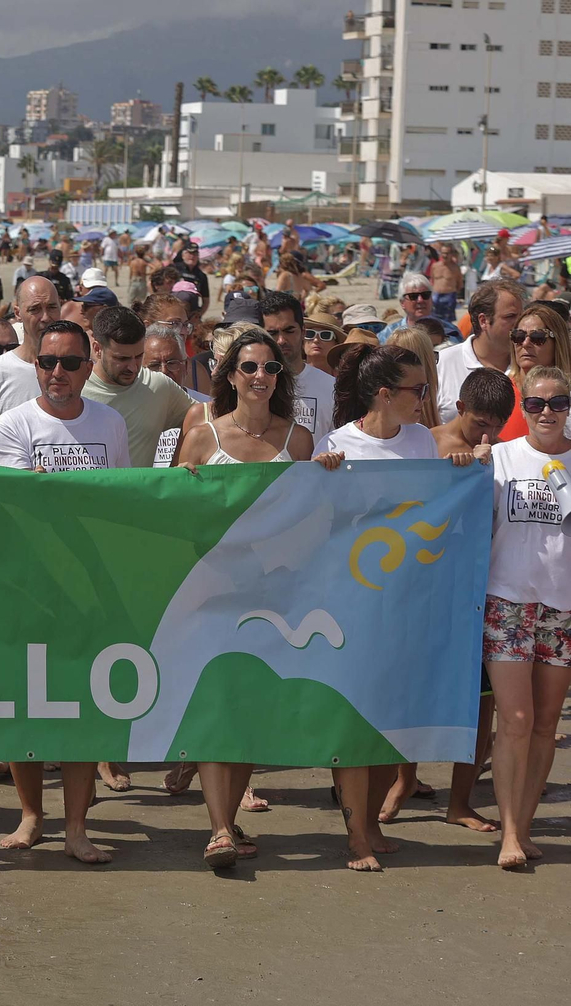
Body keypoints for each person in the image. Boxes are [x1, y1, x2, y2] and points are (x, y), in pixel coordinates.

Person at [315, 344, 478, 871]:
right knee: (358, 725)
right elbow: (316, 525)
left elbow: (435, 514)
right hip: (354, 607)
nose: (426, 400)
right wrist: (321, 475)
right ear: (385, 393)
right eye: (418, 390)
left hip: (408, 606)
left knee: (394, 724)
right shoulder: (337, 445)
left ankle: (366, 824)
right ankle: (356, 834)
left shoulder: (420, 443)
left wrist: (454, 470)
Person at [172, 329, 315, 868]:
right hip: (211, 593)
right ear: (230, 375)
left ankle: (227, 819)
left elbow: (311, 517)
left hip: (275, 597)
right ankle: (218, 830)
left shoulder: (298, 440)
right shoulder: (203, 435)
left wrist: (327, 476)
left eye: (271, 369)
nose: (260, 377)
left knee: (252, 707)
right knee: (216, 704)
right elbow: (170, 513)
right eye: (250, 367)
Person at [0, 318, 125, 865]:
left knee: (83, 710)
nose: (58, 373)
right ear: (34, 365)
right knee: (26, 706)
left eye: (70, 363)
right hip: (28, 587)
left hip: (91, 589)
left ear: (89, 367)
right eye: (47, 363)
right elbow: (22, 510)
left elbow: (119, 503)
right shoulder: (11, 425)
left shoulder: (110, 423)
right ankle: (30, 815)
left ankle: (75, 825)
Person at [481, 365, 571, 869]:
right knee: (515, 719)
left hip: (564, 607)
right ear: (523, 407)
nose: (546, 413)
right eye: (535, 404)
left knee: (544, 725)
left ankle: (527, 825)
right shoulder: (498, 458)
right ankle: (510, 833)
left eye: (557, 403)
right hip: (508, 599)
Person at [431, 368, 513, 834]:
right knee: (414, 693)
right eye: (479, 421)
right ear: (459, 408)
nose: (486, 433)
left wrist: (485, 465)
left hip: (477, 592)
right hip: (427, 590)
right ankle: (405, 782)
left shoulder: (500, 457)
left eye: (495, 425)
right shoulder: (425, 442)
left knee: (482, 704)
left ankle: (460, 801)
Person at [81, 307, 194, 468]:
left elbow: (206, 420)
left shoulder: (158, 387)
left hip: (141, 493)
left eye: (139, 356)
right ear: (98, 349)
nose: (133, 367)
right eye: (122, 358)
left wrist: (179, 462)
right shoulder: (75, 389)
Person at [437, 280, 524, 424]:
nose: (519, 324)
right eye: (510, 317)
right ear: (483, 321)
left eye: (521, 316)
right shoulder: (442, 364)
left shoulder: (530, 362)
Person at [259, 291, 336, 446]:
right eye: (272, 333)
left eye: (289, 331)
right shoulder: (253, 384)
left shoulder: (331, 387)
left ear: (303, 332)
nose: (281, 340)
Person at [496, 302, 571, 442]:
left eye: (537, 337)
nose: (525, 343)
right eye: (518, 336)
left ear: (558, 342)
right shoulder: (497, 390)